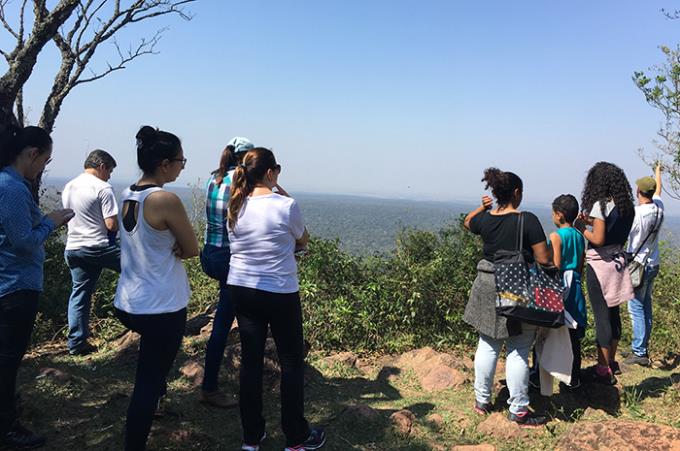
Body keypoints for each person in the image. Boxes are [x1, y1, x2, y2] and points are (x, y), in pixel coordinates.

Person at [227, 148, 325, 451]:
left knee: (251, 364)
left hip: (242, 290)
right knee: (292, 362)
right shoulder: (286, 205)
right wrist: (281, 191)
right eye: (277, 170)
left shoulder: (235, 205)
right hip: (279, 292)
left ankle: (251, 437)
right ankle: (296, 436)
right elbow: (303, 238)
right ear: (270, 172)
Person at [113, 126, 198, 451]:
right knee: (148, 381)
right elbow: (191, 248)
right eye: (181, 160)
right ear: (164, 163)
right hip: (161, 305)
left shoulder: (127, 194)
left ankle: (156, 406)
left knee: (153, 371)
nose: (182, 166)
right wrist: (178, 246)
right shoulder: (164, 199)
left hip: (128, 301)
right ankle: (134, 442)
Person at [0, 125, 73, 449]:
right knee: (7, 361)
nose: (43, 167)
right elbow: (24, 242)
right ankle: (6, 428)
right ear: (32, 154)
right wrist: (52, 221)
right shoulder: (12, 188)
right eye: (45, 160)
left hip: (9, 283)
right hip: (15, 287)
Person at [463, 167, 550, 427]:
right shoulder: (528, 220)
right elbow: (543, 259)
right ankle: (519, 409)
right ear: (516, 192)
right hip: (515, 284)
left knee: (487, 343)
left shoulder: (487, 219)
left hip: (485, 283)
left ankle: (482, 401)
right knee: (519, 348)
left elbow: (468, 222)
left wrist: (482, 207)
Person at [199, 136, 254, 407]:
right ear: (245, 157)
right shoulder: (241, 182)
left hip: (209, 253)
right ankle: (210, 387)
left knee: (234, 309)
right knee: (223, 323)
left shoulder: (214, 178)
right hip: (228, 258)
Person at [577, 162, 635, 384]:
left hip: (600, 265)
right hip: (618, 264)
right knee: (614, 313)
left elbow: (598, 239)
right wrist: (593, 222)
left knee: (601, 316)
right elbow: (612, 231)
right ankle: (611, 361)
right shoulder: (626, 206)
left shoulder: (600, 205)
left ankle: (602, 369)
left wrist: (582, 228)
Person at [62, 149, 121, 355]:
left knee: (80, 295)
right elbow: (112, 224)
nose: (110, 175)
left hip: (73, 247)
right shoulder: (103, 188)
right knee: (139, 270)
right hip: (98, 246)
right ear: (102, 166)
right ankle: (146, 321)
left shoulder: (69, 186)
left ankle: (76, 344)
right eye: (110, 170)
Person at [624, 163, 664, 366]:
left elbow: (625, 235)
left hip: (638, 266)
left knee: (636, 307)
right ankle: (642, 346)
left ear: (638, 191)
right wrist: (658, 170)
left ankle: (639, 351)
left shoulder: (636, 214)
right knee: (646, 304)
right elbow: (659, 190)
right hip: (653, 263)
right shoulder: (658, 208)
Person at [548, 194, 587, 390]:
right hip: (576, 285)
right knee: (573, 335)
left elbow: (555, 265)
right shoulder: (580, 236)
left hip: (561, 285)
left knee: (549, 332)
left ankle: (541, 375)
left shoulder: (556, 236)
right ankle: (574, 378)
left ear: (559, 215)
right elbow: (581, 264)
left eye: (553, 213)